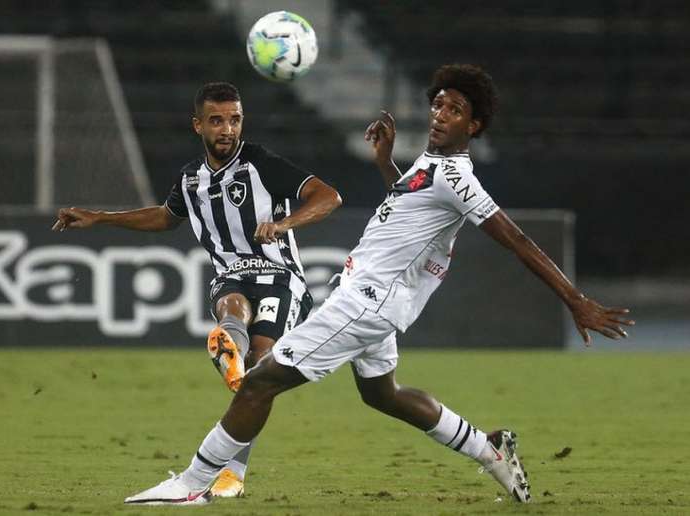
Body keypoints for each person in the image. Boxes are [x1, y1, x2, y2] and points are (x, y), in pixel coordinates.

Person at [123, 64, 635, 506]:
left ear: (474, 125)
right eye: (437, 104)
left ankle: (193, 483)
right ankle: (490, 448)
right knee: (382, 394)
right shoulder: (428, 166)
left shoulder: (457, 178)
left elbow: (515, 238)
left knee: (260, 380)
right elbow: (409, 214)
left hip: (368, 302)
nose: (440, 115)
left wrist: (576, 300)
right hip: (373, 296)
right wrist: (386, 163)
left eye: (454, 110)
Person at [52, 81, 342, 498]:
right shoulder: (191, 180)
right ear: (198, 125)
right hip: (231, 275)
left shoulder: (262, 164)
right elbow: (164, 217)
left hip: (282, 279)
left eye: (235, 120)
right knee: (232, 305)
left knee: (262, 372)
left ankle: (233, 468)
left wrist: (282, 224)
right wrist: (99, 217)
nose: (227, 129)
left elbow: (328, 196)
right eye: (217, 121)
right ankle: (229, 348)